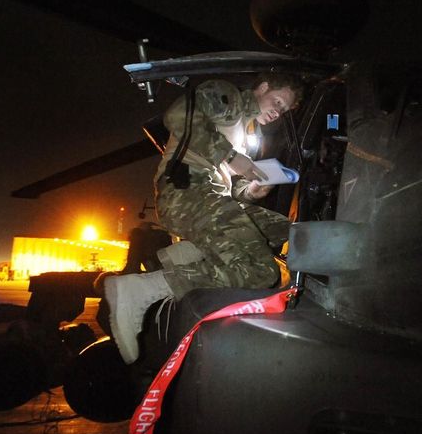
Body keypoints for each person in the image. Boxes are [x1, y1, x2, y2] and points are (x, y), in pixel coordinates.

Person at [102, 73, 304, 364]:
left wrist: (254, 190)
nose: (277, 112)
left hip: (211, 197)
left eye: (283, 110)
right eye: (277, 102)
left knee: (289, 231)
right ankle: (143, 289)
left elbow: (231, 193)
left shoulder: (246, 134)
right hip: (186, 193)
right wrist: (233, 158)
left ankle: (191, 253)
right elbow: (178, 115)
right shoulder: (229, 98)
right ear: (262, 87)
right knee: (261, 272)